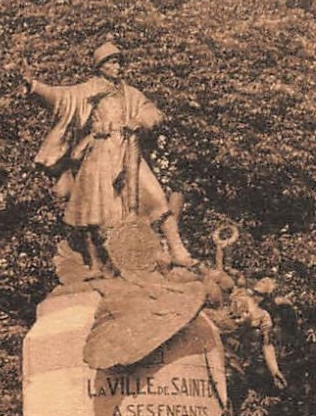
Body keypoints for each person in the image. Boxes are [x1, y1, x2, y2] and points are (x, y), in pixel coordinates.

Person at [24, 41, 196, 272]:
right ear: (101, 66)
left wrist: (141, 120)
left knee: (155, 196)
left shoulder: (130, 92)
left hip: (129, 150)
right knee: (99, 210)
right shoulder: (88, 90)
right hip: (101, 154)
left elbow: (153, 110)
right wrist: (34, 85)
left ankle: (177, 250)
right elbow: (61, 97)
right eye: (113, 62)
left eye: (119, 62)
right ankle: (111, 262)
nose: (118, 66)